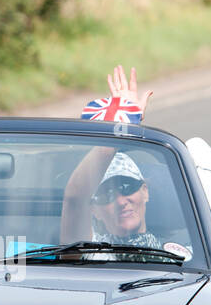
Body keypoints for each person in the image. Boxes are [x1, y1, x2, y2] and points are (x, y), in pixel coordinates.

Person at [61, 65, 169, 249]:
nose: (120, 201)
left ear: (145, 191)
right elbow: (76, 198)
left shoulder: (182, 255)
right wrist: (121, 126)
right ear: (94, 210)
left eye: (127, 187)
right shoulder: (87, 249)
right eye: (107, 194)